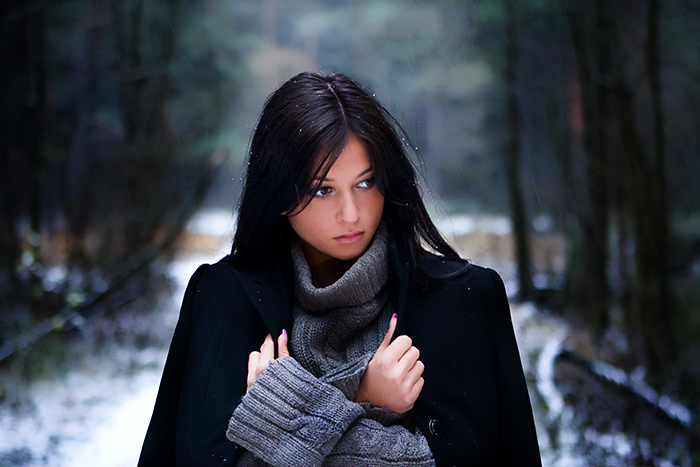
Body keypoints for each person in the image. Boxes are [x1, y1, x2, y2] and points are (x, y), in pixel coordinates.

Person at [138, 71, 541, 466]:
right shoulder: (220, 298)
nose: (351, 214)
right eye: (322, 190)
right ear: (278, 193)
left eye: (365, 184)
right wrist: (362, 392)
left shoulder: (466, 300)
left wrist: (279, 416)